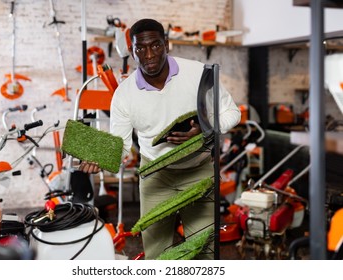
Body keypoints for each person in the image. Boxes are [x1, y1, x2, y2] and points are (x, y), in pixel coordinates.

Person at [79, 18, 241, 259]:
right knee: (157, 256)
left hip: (198, 172)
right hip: (155, 178)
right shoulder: (124, 95)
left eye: (155, 45)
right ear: (132, 51)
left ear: (166, 44)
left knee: (205, 251)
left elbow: (232, 113)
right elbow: (122, 146)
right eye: (140, 48)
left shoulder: (197, 73)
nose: (149, 55)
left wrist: (206, 128)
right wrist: (99, 158)